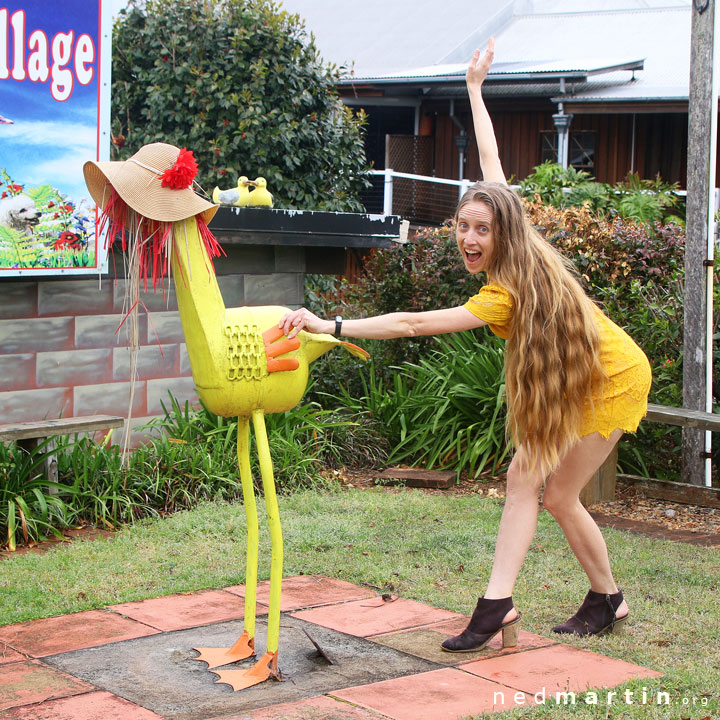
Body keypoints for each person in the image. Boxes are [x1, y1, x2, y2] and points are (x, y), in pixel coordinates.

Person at [278, 39, 651, 652]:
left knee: (545, 488)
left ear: (502, 231)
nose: (469, 237)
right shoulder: (516, 236)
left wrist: (332, 326)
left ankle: (515, 603)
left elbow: (411, 325)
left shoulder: (504, 293)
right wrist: (475, 89)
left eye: (482, 229)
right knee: (540, 487)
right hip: (578, 372)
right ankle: (595, 599)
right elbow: (491, 157)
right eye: (463, 225)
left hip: (611, 376)